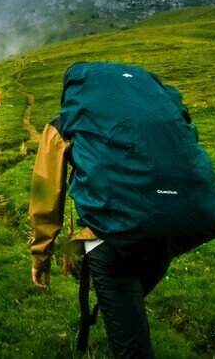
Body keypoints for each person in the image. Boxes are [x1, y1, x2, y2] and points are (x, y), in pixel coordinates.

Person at [28, 114, 172, 359]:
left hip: (108, 236)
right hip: (165, 227)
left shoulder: (66, 122)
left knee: (130, 341)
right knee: (130, 310)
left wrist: (41, 255)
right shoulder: (149, 109)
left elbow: (47, 193)